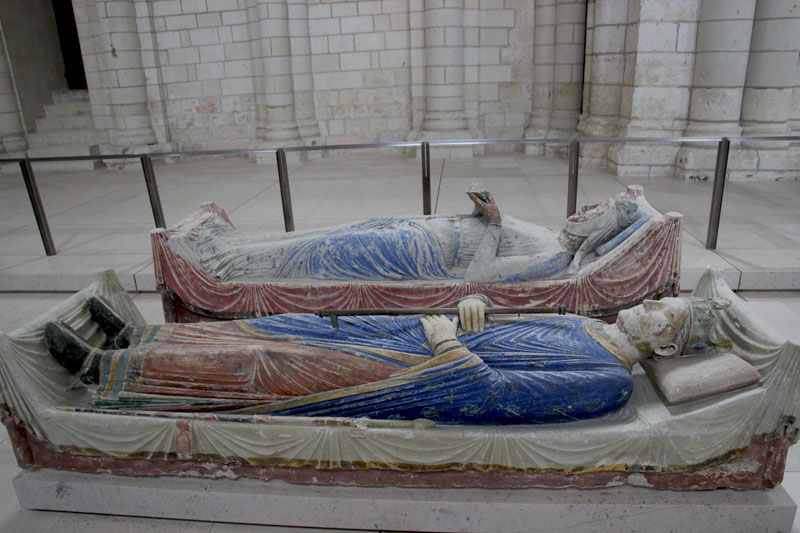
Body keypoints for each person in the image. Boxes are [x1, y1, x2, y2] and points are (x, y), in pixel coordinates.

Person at [43, 293, 731, 425]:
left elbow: (493, 395)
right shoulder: (583, 324)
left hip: (418, 379)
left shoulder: (608, 382)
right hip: (420, 343)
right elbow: (493, 322)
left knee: (272, 366)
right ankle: (146, 341)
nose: (650, 305)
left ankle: (102, 371)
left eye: (662, 313)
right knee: (295, 325)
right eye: (660, 300)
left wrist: (445, 341)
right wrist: (471, 304)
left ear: (666, 345)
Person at [192, 187, 643, 282]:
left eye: (597, 211)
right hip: (421, 231)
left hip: (417, 254)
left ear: (599, 229)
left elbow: (478, 277)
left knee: (322, 252)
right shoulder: (549, 233)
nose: (587, 208)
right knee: (335, 231)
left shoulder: (554, 257)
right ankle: (238, 246)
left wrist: (495, 224)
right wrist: (480, 214)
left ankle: (226, 265)